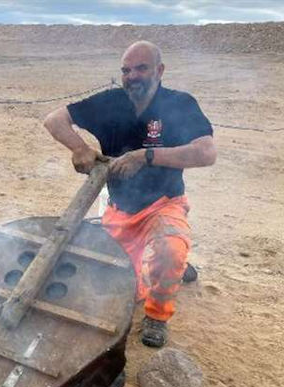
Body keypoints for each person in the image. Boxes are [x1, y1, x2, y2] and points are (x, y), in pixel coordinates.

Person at [43, 41, 216, 347]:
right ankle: (165, 272)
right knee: (113, 284)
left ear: (159, 71)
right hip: (119, 208)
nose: (132, 76)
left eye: (141, 68)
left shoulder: (179, 104)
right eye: (126, 70)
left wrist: (146, 156)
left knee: (170, 250)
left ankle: (157, 315)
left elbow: (206, 153)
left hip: (164, 203)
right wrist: (80, 148)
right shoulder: (111, 102)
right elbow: (54, 120)